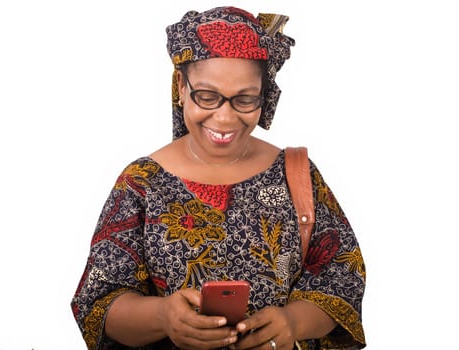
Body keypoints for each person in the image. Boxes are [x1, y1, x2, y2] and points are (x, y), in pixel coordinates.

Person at [71, 6, 366, 350]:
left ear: (264, 95)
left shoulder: (296, 172)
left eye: (244, 99)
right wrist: (164, 315)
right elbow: (99, 303)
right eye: (207, 96)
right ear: (181, 86)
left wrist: (293, 322)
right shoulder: (142, 182)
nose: (225, 118)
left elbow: (342, 278)